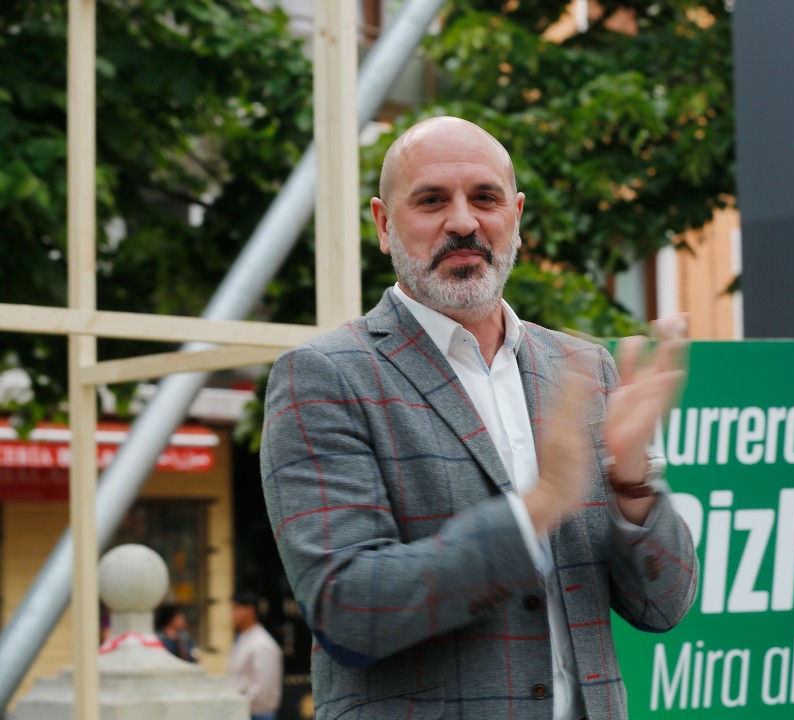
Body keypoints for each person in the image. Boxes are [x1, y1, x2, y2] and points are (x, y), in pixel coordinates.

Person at [260, 115, 698, 720]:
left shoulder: (582, 367)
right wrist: (538, 507)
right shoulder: (323, 376)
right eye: (432, 200)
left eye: (485, 198)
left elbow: (663, 606)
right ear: (384, 225)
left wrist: (632, 485)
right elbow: (349, 611)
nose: (463, 222)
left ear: (515, 216)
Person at [228, 590, 283, 720]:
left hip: (257, 714)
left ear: (250, 610)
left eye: (236, 608)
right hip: (242, 711)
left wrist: (239, 705)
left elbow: (262, 689)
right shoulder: (243, 638)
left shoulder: (262, 643)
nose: (232, 614)